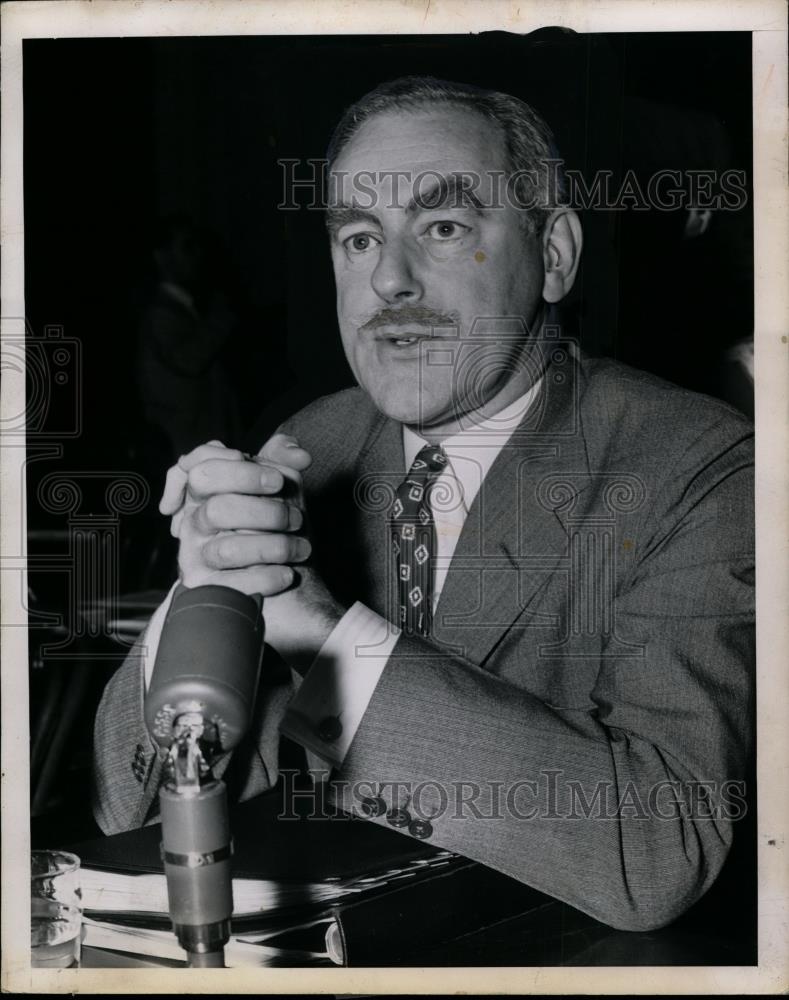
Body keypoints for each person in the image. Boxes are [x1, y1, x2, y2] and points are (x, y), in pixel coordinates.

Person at [93, 77, 754, 933]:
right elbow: (126, 809)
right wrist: (203, 600)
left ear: (554, 253)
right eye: (359, 238)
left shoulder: (700, 466)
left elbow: (659, 853)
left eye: (442, 228)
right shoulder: (310, 444)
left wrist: (322, 631)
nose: (390, 281)